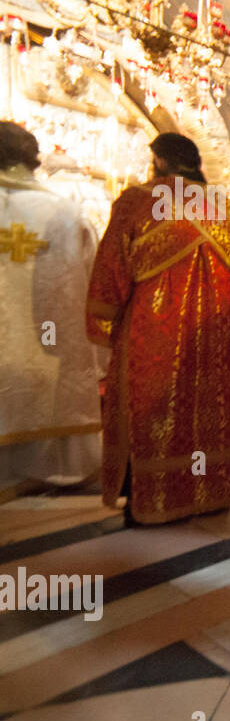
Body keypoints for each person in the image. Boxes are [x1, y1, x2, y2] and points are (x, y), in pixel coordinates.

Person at [86, 133, 230, 522]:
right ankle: (213, 491)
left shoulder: (136, 203)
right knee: (211, 416)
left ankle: (152, 498)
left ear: (160, 161)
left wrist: (107, 325)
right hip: (216, 337)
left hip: (152, 338)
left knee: (151, 415)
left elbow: (110, 275)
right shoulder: (228, 209)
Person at [0, 122, 102, 493]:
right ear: (33, 158)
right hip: (51, 343)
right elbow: (94, 283)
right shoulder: (65, 211)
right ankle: (49, 468)